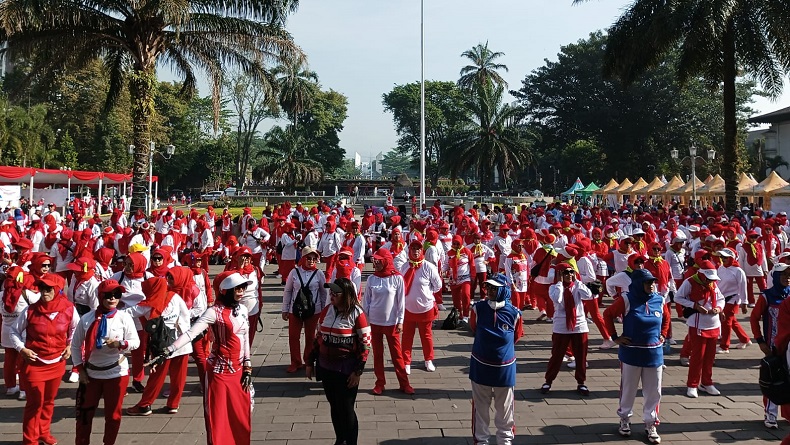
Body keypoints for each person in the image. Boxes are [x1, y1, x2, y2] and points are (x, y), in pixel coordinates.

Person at [154, 272, 253, 445]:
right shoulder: (214, 312)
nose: (241, 292)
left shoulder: (243, 309)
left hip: (239, 373)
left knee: (241, 417)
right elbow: (191, 333)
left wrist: (247, 367)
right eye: (237, 288)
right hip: (219, 373)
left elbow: (245, 340)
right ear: (226, 290)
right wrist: (168, 350)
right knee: (218, 417)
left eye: (243, 288)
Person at [10, 273, 79, 445]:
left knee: (48, 401)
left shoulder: (69, 308)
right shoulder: (30, 310)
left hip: (56, 363)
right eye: (41, 288)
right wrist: (22, 349)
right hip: (34, 364)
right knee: (35, 403)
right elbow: (13, 332)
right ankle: (30, 440)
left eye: (48, 289)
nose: (44, 292)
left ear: (57, 290)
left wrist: (70, 346)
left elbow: (76, 329)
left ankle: (43, 432)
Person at [603, 269, 669, 444]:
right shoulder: (626, 299)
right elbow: (607, 314)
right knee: (629, 388)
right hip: (631, 352)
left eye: (653, 282)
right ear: (640, 284)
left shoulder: (659, 300)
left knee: (654, 391)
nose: (652, 285)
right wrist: (615, 337)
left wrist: (663, 334)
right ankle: (624, 418)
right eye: (648, 283)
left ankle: (650, 423)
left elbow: (666, 318)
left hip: (654, 353)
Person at [71, 279, 140, 445]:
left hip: (116, 373)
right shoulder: (87, 319)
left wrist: (120, 344)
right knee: (84, 416)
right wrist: (80, 370)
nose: (113, 298)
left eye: (117, 294)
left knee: (113, 416)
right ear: (100, 296)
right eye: (108, 295)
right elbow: (75, 345)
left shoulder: (124, 317)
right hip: (91, 374)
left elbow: (135, 342)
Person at [306, 278, 371, 445]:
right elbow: (318, 338)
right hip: (326, 367)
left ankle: (351, 442)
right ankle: (340, 439)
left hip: (347, 369)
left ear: (347, 294)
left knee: (346, 408)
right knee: (334, 406)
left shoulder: (358, 314)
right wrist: (309, 362)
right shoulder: (326, 310)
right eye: (330, 292)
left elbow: (365, 346)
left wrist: (358, 372)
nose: (331, 295)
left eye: (336, 292)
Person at [124, 276, 192, 416]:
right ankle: (173, 404)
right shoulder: (175, 297)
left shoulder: (148, 304)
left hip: (162, 346)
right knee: (179, 377)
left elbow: (127, 313)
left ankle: (145, 405)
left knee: (156, 377)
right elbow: (186, 316)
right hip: (181, 342)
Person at [469, 273, 522, 445]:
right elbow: (474, 328)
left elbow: (516, 336)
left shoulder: (514, 313)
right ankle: (481, 441)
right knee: (480, 408)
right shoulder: (478, 308)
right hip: (480, 365)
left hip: (504, 369)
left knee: (505, 409)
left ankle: (505, 441)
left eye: (494, 288)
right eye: (488, 287)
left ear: (504, 290)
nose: (489, 291)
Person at [362, 248, 413, 395]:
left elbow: (401, 302)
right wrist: (366, 321)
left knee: (397, 354)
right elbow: (367, 302)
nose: (376, 263)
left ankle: (404, 383)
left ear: (386, 261)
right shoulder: (372, 278)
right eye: (375, 260)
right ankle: (380, 383)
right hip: (374, 322)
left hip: (391, 323)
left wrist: (401, 321)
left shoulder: (397, 278)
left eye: (379, 260)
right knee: (377, 354)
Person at [540, 262, 594, 396]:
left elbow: (588, 295)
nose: (569, 275)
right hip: (561, 326)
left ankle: (581, 382)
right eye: (565, 273)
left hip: (579, 325)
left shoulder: (578, 286)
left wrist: (578, 282)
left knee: (581, 356)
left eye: (571, 272)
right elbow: (557, 299)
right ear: (559, 275)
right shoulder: (554, 287)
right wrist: (559, 283)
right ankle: (548, 380)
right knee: (557, 355)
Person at [674, 260, 725, 398]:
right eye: (708, 278)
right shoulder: (690, 282)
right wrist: (694, 305)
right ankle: (692, 384)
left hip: (714, 324)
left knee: (710, 356)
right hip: (697, 324)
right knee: (697, 356)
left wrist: (718, 308)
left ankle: (707, 382)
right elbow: (678, 298)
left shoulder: (713, 284)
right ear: (702, 274)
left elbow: (721, 299)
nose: (710, 281)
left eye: (712, 279)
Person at [751, 262, 790, 428]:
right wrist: (760, 341)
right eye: (784, 275)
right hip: (773, 345)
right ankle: (770, 414)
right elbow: (754, 318)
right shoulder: (766, 296)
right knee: (773, 379)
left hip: (788, 346)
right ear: (775, 276)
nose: (787, 279)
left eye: (789, 276)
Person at [399, 239, 442, 378]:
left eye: (418, 249)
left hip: (426, 307)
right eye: (413, 249)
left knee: (426, 335)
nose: (416, 251)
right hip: (408, 308)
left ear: (421, 250)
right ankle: (406, 362)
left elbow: (438, 285)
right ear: (409, 251)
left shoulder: (428, 267)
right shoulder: (404, 267)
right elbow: (399, 286)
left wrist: (428, 293)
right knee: (407, 336)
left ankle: (428, 360)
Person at [282, 246, 327, 373]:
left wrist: (324, 310)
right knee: (293, 336)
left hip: (314, 310)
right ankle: (295, 362)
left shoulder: (319, 274)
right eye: (308, 258)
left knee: (311, 337)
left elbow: (324, 293)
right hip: (295, 309)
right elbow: (288, 291)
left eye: (314, 258)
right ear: (303, 258)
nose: (311, 261)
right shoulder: (294, 272)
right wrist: (285, 309)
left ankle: (308, 361)